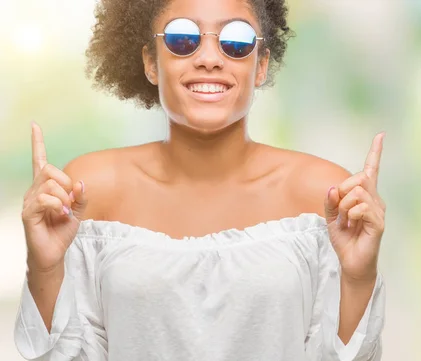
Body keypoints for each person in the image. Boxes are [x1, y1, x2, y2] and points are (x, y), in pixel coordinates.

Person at [14, 0, 386, 360]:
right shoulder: (89, 190)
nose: (209, 58)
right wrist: (44, 266)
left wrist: (358, 278)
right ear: (151, 63)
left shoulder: (323, 194)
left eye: (236, 41)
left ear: (260, 65)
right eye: (182, 39)